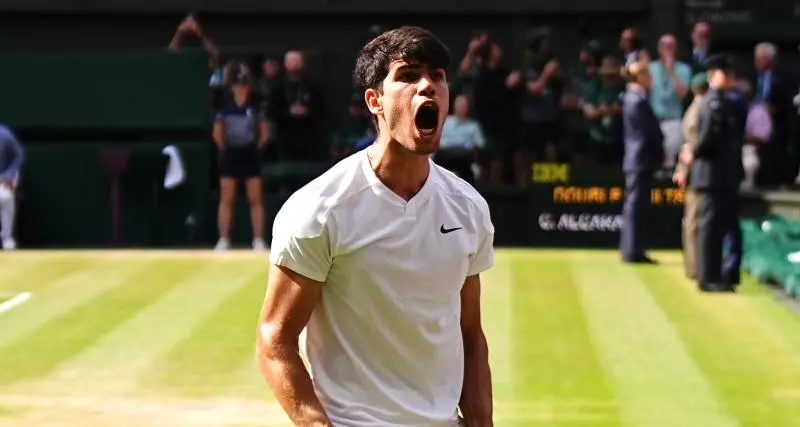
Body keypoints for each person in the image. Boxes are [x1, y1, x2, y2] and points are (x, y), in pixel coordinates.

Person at [256, 26, 494, 427]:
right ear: (375, 101)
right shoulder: (319, 209)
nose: (428, 86)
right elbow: (274, 341)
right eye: (408, 75)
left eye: (437, 76)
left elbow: (470, 333)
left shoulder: (468, 209)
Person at [680, 54, 740, 292]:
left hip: (714, 173)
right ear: (716, 74)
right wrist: (693, 152)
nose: (732, 78)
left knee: (712, 227)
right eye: (727, 73)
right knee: (708, 227)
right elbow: (707, 138)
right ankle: (707, 277)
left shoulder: (718, 101)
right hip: (710, 173)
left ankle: (712, 275)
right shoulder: (714, 102)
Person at [212, 61, 269, 251]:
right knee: (227, 199)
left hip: (250, 154)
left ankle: (258, 240)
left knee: (255, 199)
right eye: (238, 80)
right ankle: (224, 239)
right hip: (230, 155)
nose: (241, 84)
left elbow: (264, 132)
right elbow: (217, 133)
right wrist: (226, 150)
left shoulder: (255, 104)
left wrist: (254, 148)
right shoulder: (225, 105)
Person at [620, 60, 664, 264]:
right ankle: (632, 250)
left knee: (636, 205)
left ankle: (634, 248)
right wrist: (659, 150)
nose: (651, 78)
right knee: (635, 206)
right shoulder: (637, 100)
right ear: (640, 77)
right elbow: (648, 132)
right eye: (648, 74)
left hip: (638, 158)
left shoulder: (633, 98)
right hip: (640, 159)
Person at [674, 72, 709, 279]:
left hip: (693, 171)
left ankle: (694, 265)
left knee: (693, 220)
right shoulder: (699, 112)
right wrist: (683, 170)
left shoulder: (692, 109)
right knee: (694, 221)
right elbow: (691, 148)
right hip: (697, 172)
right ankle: (695, 266)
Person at [436, 94, 485, 185]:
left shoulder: (473, 126)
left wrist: (473, 146)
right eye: (459, 105)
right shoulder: (445, 122)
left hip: (465, 156)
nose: (461, 108)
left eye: (463, 106)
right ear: (454, 106)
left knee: (467, 162)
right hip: (445, 155)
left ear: (468, 108)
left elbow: (480, 144)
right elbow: (437, 140)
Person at [0, 125, 23, 250]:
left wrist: (9, 177)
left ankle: (7, 239)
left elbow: (18, 156)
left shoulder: (4, 135)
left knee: (4, 196)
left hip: (5, 174)